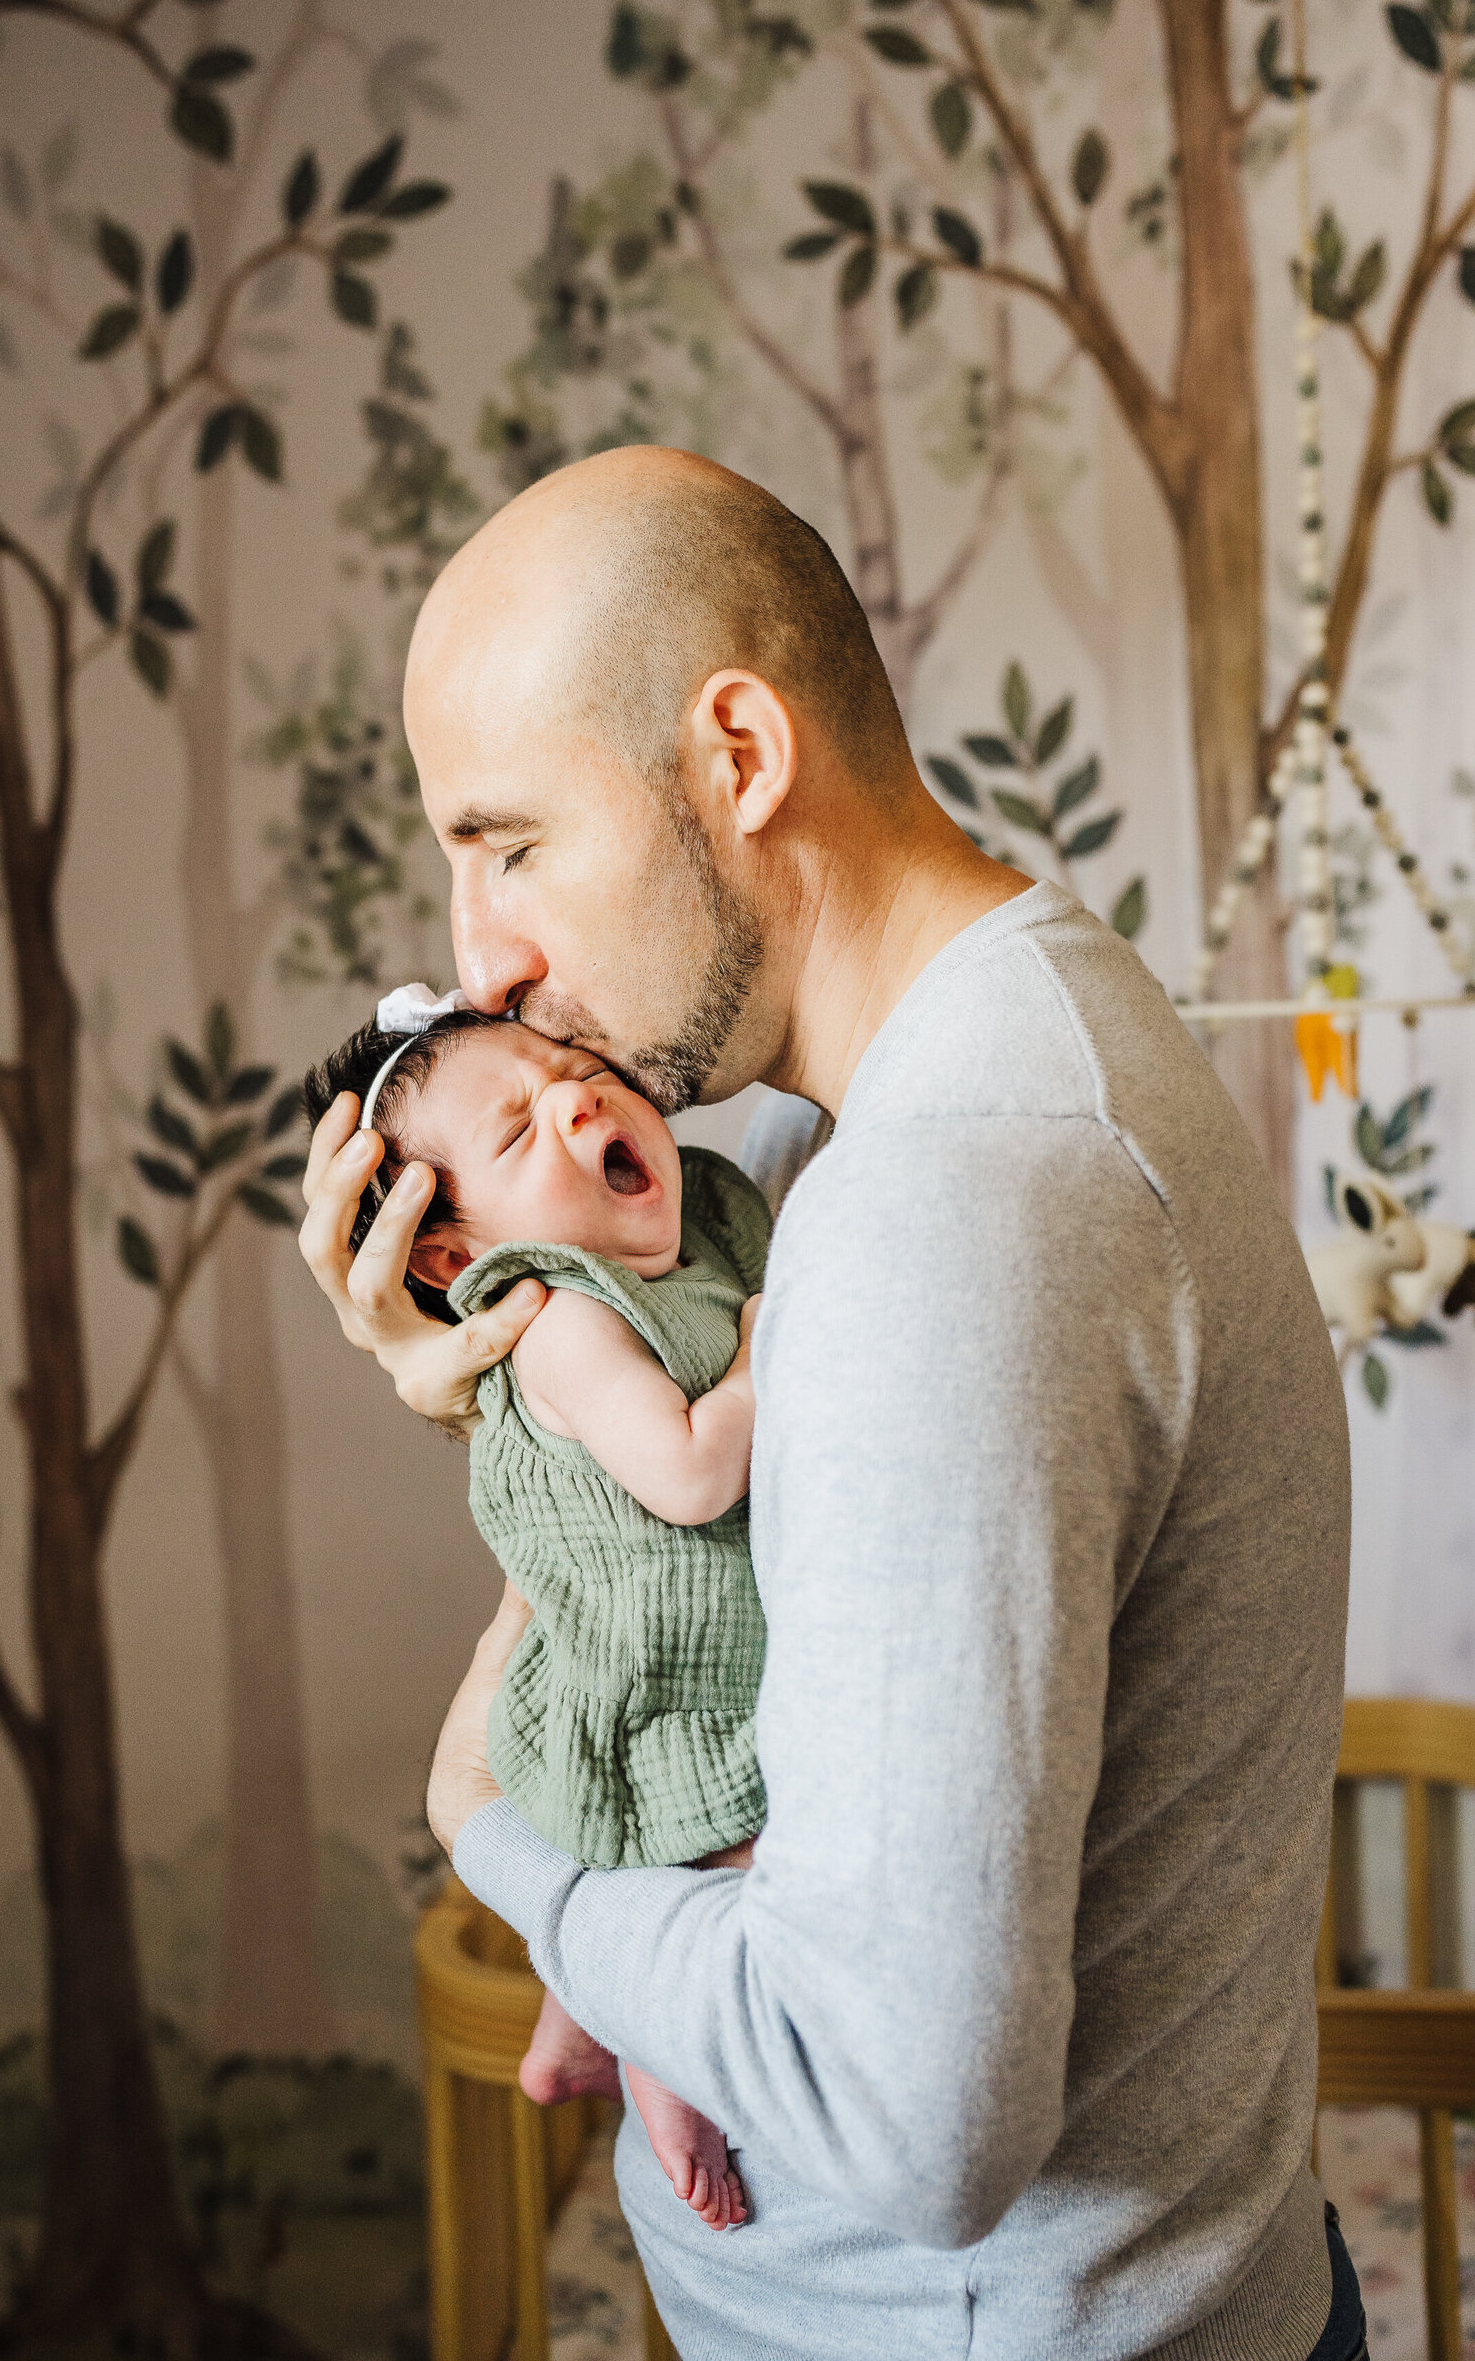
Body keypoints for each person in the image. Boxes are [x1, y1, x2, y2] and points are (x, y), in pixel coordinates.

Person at [301, 448, 1363, 2361]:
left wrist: (499, 1842)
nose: (484, 964)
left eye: (512, 842)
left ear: (737, 756)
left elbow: (907, 2116)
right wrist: (498, 1386)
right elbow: (756, 1596)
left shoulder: (940, 1212)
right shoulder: (982, 1053)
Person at [304, 999, 770, 2229]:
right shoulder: (557, 1313)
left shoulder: (702, 1241)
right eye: (517, 1132)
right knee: (716, 1873)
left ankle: (567, 2031)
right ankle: (659, 2064)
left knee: (656, 1853)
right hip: (657, 1690)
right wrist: (762, 1360)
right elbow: (685, 1475)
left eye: (577, 1069)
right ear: (454, 1260)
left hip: (674, 1654)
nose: (577, 1099)